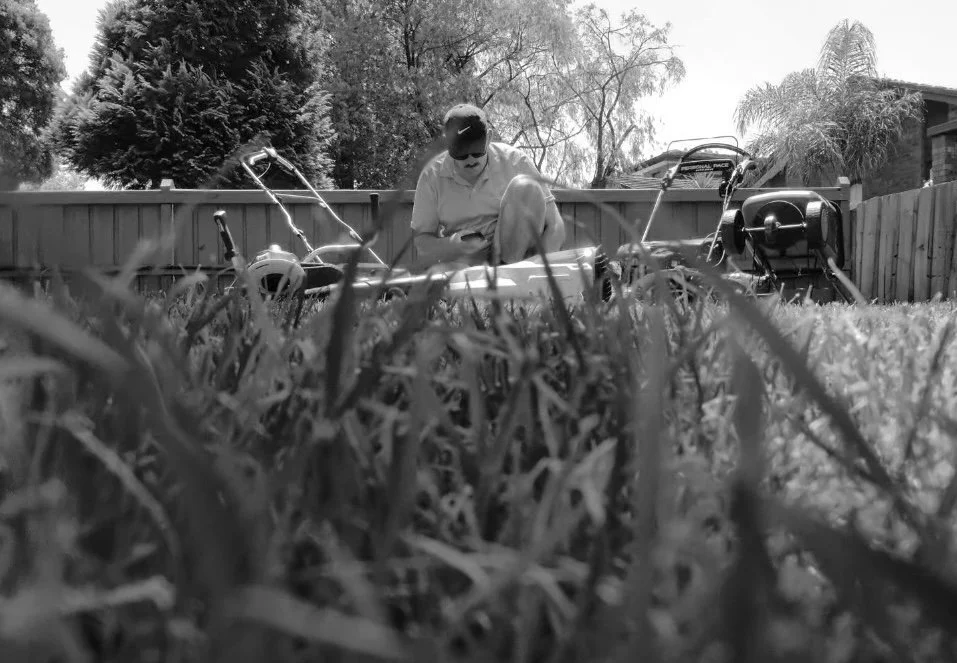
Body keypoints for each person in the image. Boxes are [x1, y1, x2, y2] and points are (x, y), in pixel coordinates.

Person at [410, 103, 566, 269]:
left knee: (526, 186)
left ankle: (508, 275)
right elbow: (422, 243)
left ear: (489, 137)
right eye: (461, 152)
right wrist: (453, 245)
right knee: (436, 275)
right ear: (447, 144)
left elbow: (555, 226)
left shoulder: (516, 161)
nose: (470, 159)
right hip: (466, 264)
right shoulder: (431, 176)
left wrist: (539, 270)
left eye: (477, 150)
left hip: (518, 261)